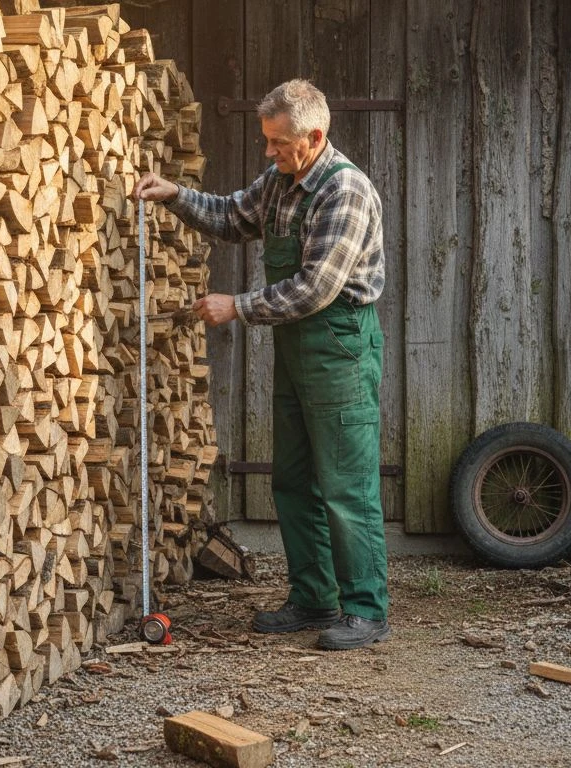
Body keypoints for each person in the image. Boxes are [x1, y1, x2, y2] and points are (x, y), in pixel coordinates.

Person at [133, 79, 388, 650]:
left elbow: (315, 288)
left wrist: (237, 306)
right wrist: (175, 194)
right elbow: (230, 217)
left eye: (278, 142)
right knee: (294, 479)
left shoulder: (344, 190)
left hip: (339, 343)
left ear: (314, 136)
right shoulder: (281, 181)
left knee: (345, 485)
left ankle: (366, 610)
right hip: (298, 346)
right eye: (266, 141)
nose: (268, 153)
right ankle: (313, 598)